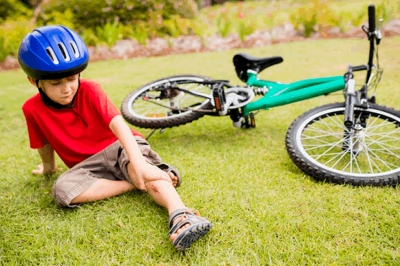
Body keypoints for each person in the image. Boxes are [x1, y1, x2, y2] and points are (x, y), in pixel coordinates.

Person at [18, 25, 212, 251]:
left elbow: (117, 123)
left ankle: (181, 215)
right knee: (62, 191)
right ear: (34, 81)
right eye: (56, 83)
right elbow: (44, 143)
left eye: (71, 79)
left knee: (140, 168)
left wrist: (138, 163)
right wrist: (48, 169)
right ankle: (133, 183)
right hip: (86, 166)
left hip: (119, 146)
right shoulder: (31, 109)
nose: (67, 89)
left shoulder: (90, 89)